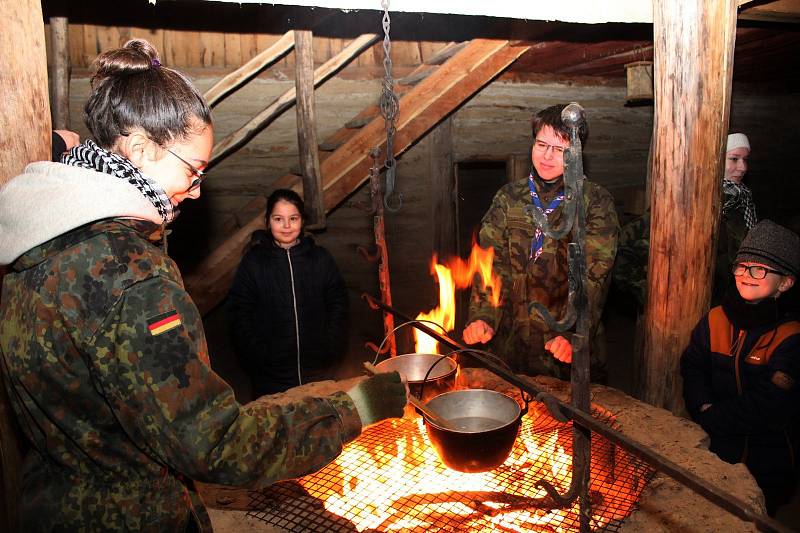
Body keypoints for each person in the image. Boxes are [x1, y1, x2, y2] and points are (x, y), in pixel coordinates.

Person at [0, 39, 407, 531]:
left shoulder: (37, 243)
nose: (195, 190)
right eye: (193, 170)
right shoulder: (132, 278)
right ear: (138, 149)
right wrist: (356, 407)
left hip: (50, 509)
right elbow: (215, 444)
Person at [462, 103, 619, 380]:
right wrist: (483, 317)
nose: (547, 156)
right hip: (509, 347)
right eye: (541, 144)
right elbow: (488, 263)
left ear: (576, 152)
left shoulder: (594, 202)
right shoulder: (508, 197)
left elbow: (594, 278)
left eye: (559, 150)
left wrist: (574, 334)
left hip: (562, 353)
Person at [681, 220, 800, 516]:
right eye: (742, 266)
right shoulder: (715, 319)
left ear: (785, 282)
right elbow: (693, 365)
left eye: (759, 269)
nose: (747, 275)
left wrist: (710, 417)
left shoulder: (791, 336)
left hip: (768, 458)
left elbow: (770, 404)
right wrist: (702, 405)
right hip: (715, 448)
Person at [613, 132, 758, 307]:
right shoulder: (685, 202)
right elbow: (625, 250)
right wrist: (650, 295)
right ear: (715, 161)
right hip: (679, 310)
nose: (743, 167)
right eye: (734, 159)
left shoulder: (742, 205)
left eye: (745, 159)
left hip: (724, 310)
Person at [228, 188, 349, 396]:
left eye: (293, 218)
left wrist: (330, 346)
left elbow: (338, 303)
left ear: (302, 221)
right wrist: (259, 355)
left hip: (319, 372)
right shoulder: (254, 263)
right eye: (278, 219)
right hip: (271, 378)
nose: (286, 226)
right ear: (268, 222)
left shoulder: (320, 258)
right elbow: (239, 313)